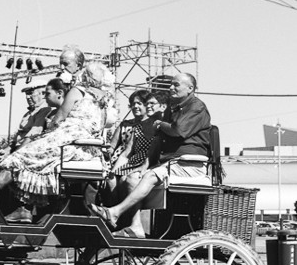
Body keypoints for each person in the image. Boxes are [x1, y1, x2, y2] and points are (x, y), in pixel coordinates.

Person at [89, 72, 211, 236]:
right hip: (170, 163)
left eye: (176, 85)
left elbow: (178, 131)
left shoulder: (197, 107)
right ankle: (135, 226)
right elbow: (158, 140)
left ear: (190, 88)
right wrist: (145, 165)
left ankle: (115, 212)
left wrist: (160, 124)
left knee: (150, 176)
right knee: (132, 177)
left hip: (188, 163)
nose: (171, 87)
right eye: (171, 84)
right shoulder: (173, 107)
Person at [0, 59, 117, 209]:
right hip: (88, 148)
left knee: (21, 155)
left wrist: (46, 134)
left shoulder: (78, 91)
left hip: (67, 140)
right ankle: (22, 209)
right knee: (36, 160)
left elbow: (58, 119)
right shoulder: (106, 99)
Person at [0, 78, 68, 221]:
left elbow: (32, 137)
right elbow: (18, 136)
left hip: (33, 150)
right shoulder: (30, 114)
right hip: (22, 148)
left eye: (31, 93)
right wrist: (8, 149)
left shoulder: (44, 112)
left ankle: (8, 208)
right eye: (26, 94)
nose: (28, 97)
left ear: (42, 94)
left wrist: (14, 155)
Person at [103, 89, 160, 236]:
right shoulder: (128, 125)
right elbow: (123, 150)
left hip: (143, 162)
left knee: (125, 179)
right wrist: (113, 168)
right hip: (126, 161)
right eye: (132, 104)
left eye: (139, 103)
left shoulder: (155, 124)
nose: (135, 107)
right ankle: (116, 216)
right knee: (111, 180)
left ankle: (124, 218)